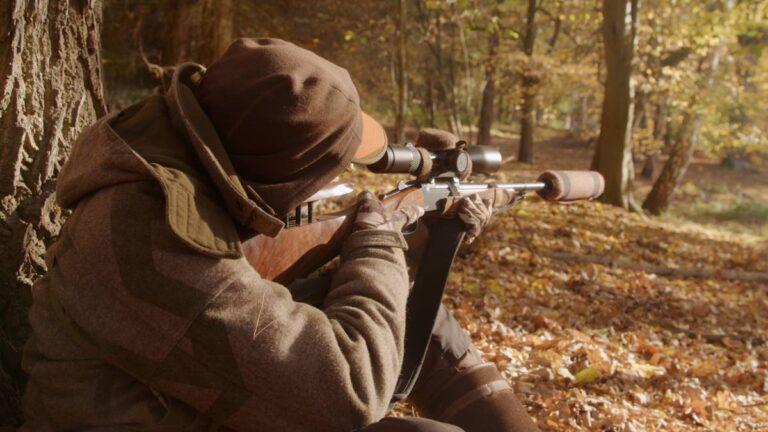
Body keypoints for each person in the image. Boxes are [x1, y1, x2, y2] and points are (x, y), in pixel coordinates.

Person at [20, 38, 539, 431]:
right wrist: (380, 236)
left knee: (425, 322)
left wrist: (422, 234)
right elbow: (349, 391)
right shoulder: (160, 244)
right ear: (275, 180)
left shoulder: (173, 167)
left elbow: (266, 288)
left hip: (181, 393)